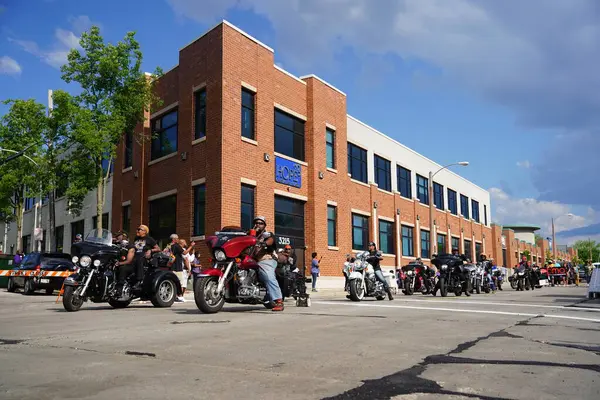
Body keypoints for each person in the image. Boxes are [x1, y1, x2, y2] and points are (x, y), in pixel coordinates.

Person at [250, 216, 284, 312]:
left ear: (264, 225)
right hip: (252, 260)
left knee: (268, 275)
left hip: (266, 259)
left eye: (260, 223)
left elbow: (271, 240)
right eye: (256, 223)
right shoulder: (250, 235)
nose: (258, 225)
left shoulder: (267, 235)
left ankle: (279, 301)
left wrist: (264, 243)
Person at [131, 225, 159, 289]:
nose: (138, 231)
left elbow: (158, 249)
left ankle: (139, 280)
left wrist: (150, 250)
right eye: (137, 229)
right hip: (135, 256)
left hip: (143, 257)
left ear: (145, 232)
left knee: (139, 259)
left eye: (139, 229)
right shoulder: (136, 238)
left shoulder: (149, 239)